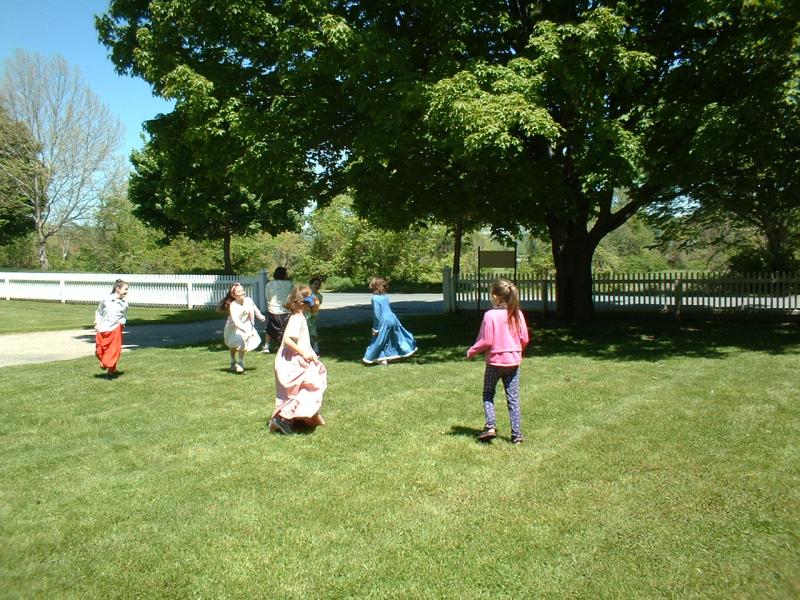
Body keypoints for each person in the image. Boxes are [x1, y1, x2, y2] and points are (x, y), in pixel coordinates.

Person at [466, 278, 529, 444]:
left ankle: (491, 426)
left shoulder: (490, 315)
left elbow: (486, 341)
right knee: (513, 398)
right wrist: (516, 349)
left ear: (495, 296)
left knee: (488, 394)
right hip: (513, 362)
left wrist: (472, 351)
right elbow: (524, 338)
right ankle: (517, 435)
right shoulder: (517, 314)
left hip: (495, 362)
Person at [270, 285, 328, 434]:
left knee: (310, 385)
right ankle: (283, 419)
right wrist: (305, 353)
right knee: (308, 387)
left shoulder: (300, 315)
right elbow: (288, 340)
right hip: (293, 361)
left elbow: (315, 306)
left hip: (298, 359)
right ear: (303, 302)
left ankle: (308, 416)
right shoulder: (296, 318)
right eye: (310, 297)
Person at [362, 277, 417, 366]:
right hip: (393, 318)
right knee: (391, 338)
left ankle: (375, 358)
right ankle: (389, 357)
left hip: (384, 321)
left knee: (378, 340)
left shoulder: (375, 298)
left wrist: (375, 329)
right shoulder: (385, 296)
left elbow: (377, 315)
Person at [219, 282, 266, 373]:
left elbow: (254, 307)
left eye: (243, 290)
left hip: (246, 324)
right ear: (233, 294)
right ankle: (233, 360)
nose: (243, 292)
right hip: (233, 327)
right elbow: (236, 321)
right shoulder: (233, 305)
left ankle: (240, 362)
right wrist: (245, 330)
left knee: (243, 342)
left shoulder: (248, 300)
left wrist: (259, 315)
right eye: (239, 291)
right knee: (232, 345)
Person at [94, 279, 129, 379]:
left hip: (115, 329)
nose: (127, 291)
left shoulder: (125, 304)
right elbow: (98, 312)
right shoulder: (106, 300)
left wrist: (123, 321)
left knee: (114, 351)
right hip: (103, 329)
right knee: (100, 351)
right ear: (118, 289)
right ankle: (106, 364)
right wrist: (97, 323)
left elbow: (124, 316)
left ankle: (110, 368)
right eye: (125, 289)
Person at [263, 267, 293, 353]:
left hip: (273, 309)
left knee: (270, 328)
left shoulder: (269, 284)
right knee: (284, 329)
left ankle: (267, 346)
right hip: (285, 310)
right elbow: (292, 296)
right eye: (286, 273)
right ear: (283, 274)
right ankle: (282, 346)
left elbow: (268, 297)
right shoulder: (290, 284)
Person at [305, 276, 324, 355]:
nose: (317, 286)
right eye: (315, 284)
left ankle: (316, 348)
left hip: (312, 317)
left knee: (313, 333)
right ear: (310, 284)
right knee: (304, 333)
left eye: (319, 284)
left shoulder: (319, 296)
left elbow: (317, 307)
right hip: (304, 316)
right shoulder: (305, 294)